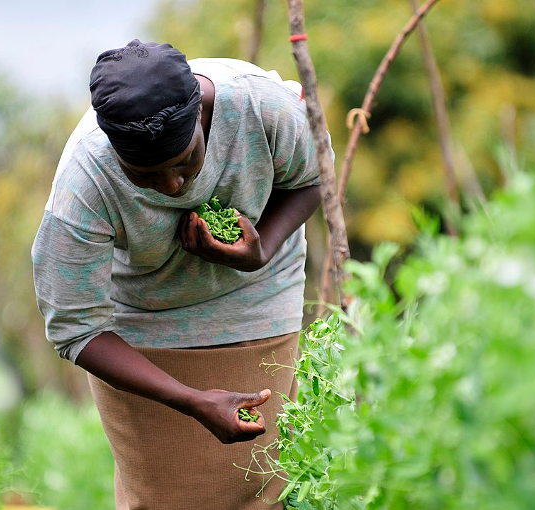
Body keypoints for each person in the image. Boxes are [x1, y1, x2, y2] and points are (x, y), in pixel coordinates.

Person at [31, 39, 325, 510]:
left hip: (258, 307)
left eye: (186, 160)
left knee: (266, 492)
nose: (172, 187)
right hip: (145, 339)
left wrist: (261, 248)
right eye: (144, 175)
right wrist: (189, 400)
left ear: (202, 118)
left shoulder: (261, 107)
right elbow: (75, 327)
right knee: (165, 498)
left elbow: (313, 178)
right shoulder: (83, 184)